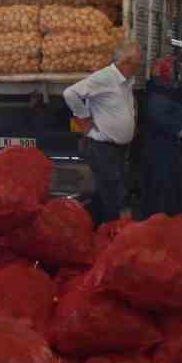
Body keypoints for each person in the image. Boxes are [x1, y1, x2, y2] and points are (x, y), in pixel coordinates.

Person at [64, 40, 143, 225]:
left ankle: (100, 232)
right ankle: (110, 234)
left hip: (117, 149)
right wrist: (84, 120)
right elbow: (70, 94)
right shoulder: (105, 77)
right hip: (103, 147)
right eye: (138, 63)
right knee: (111, 195)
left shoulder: (126, 81)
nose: (139, 67)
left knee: (109, 193)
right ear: (126, 61)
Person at [139, 55, 182, 218]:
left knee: (181, 188)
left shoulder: (172, 91)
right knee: (168, 191)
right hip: (164, 152)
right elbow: (157, 115)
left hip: (178, 152)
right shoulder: (156, 94)